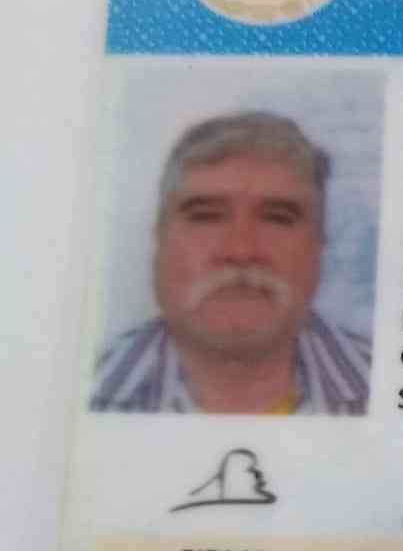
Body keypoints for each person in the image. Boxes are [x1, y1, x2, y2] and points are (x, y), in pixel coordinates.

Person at [92, 111, 370, 414]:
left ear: (319, 244)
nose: (240, 251)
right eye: (206, 217)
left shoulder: (389, 384)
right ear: (160, 239)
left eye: (277, 219)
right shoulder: (73, 393)